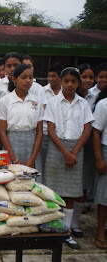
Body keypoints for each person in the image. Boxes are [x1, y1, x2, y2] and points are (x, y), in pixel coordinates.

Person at [43, 67, 94, 250]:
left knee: (71, 193)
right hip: (57, 149)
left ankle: (67, 230)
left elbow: (87, 129)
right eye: (66, 81)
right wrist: (66, 153)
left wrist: (74, 152)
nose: (70, 84)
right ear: (61, 82)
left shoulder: (83, 104)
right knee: (54, 192)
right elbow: (50, 129)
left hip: (76, 149)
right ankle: (53, 228)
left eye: (74, 81)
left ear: (78, 83)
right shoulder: (53, 102)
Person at [0, 64, 43, 169]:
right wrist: (14, 159)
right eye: (24, 77)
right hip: (12, 146)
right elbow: (2, 132)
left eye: (30, 77)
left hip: (32, 146)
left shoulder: (36, 101)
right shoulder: (5, 101)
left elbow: (39, 131)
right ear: (14, 79)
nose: (28, 81)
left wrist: (33, 157)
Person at [75, 64, 96, 219]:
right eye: (84, 77)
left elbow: (88, 128)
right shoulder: (60, 100)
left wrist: (75, 150)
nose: (87, 80)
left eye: (90, 77)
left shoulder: (95, 97)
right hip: (64, 145)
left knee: (82, 183)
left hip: (86, 144)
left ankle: (75, 221)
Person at [41, 64, 63, 182]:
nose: (51, 79)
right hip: (45, 132)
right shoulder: (43, 91)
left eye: (53, 76)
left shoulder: (64, 92)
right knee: (45, 162)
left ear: (60, 78)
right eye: (49, 76)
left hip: (60, 134)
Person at [92, 90, 107, 249]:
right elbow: (96, 131)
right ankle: (100, 231)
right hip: (106, 149)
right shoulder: (104, 104)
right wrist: (99, 158)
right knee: (104, 196)